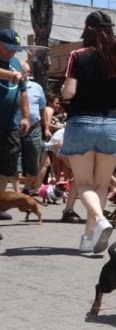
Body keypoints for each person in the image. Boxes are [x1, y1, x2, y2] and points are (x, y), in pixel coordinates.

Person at [60, 11, 116, 252]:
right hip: (112, 125)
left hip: (81, 122)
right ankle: (89, 238)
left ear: (87, 29)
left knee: (83, 183)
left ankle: (101, 221)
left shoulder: (77, 56)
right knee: (101, 185)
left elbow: (69, 92)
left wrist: (63, 89)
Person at [0, 29, 29, 223]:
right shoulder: (12, 70)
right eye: (8, 48)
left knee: (6, 167)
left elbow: (23, 91)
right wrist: (9, 75)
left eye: (14, 49)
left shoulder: (17, 63)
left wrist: (26, 116)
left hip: (10, 125)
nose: (12, 53)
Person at [16, 61, 47, 194]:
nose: (23, 73)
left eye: (25, 71)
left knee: (34, 160)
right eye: (21, 70)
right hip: (13, 128)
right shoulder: (10, 86)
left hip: (34, 128)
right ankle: (16, 191)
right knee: (14, 159)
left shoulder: (37, 87)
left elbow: (42, 109)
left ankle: (27, 188)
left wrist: (45, 128)